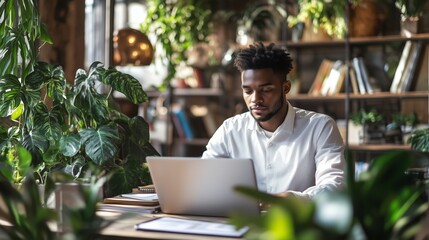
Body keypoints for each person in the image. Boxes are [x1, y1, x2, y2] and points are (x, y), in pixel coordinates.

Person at [201, 42, 345, 199]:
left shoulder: (320, 127)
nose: (255, 99)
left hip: (295, 221)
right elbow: (203, 180)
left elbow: (335, 186)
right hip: (239, 221)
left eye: (266, 90)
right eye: (248, 91)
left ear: (285, 88)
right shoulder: (230, 130)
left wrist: (288, 200)